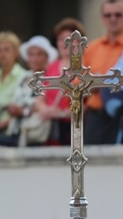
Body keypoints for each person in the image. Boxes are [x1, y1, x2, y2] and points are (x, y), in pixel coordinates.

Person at [83, 0, 123, 144]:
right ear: (102, 18)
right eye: (108, 15)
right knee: (91, 162)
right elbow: (76, 83)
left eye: (118, 15)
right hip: (96, 116)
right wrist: (93, 84)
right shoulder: (92, 48)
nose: (113, 19)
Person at [40, 18, 87, 146]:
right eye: (61, 39)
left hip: (74, 129)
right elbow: (41, 96)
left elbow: (90, 105)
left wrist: (61, 114)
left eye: (70, 38)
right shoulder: (51, 66)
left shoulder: (86, 67)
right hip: (49, 129)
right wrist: (45, 110)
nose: (66, 42)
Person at [6, 36, 57, 146]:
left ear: (46, 58)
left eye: (39, 54)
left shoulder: (50, 78)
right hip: (17, 131)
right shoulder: (23, 77)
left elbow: (45, 105)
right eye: (31, 54)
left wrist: (23, 111)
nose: (34, 58)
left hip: (37, 133)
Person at [0, 31, 26, 134]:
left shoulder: (24, 76)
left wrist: (0, 126)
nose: (2, 54)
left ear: (16, 53)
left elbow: (25, 110)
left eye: (6, 50)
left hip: (11, 133)